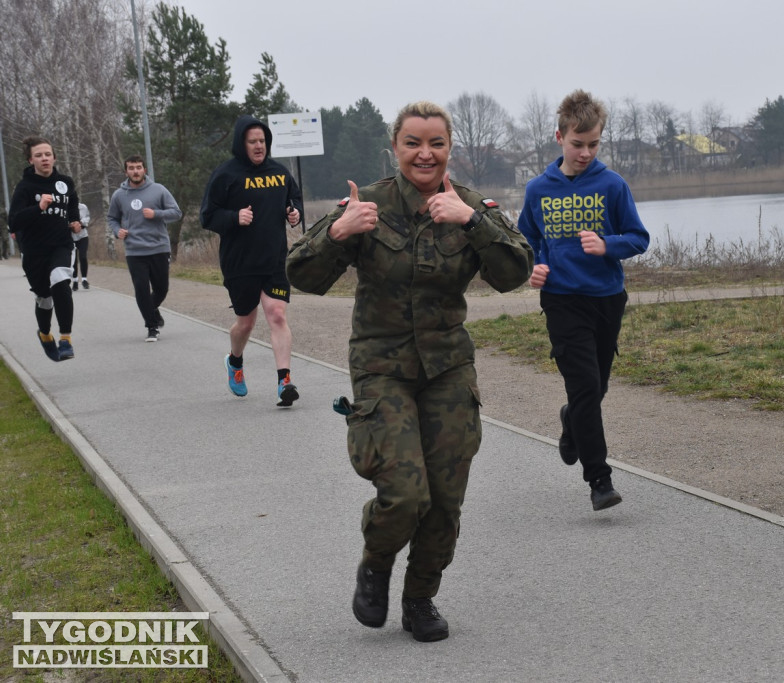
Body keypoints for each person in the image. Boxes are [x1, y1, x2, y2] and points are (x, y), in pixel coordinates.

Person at [286, 101, 532, 642]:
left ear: (450, 149)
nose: (425, 153)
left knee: (444, 500)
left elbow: (515, 272)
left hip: (447, 367)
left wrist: (473, 223)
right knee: (405, 492)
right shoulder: (366, 203)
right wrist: (339, 232)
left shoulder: (471, 207)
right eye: (413, 143)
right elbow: (300, 274)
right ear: (395, 147)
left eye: (436, 143)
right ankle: (376, 563)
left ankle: (420, 598)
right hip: (381, 366)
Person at [517, 90, 650, 511]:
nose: (586, 152)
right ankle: (599, 480)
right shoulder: (539, 189)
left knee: (596, 388)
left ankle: (572, 419)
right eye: (578, 144)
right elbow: (525, 241)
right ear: (560, 137)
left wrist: (607, 245)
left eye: (594, 144)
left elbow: (639, 238)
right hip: (561, 301)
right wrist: (532, 268)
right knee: (586, 385)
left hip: (607, 299)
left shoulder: (613, 185)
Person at [201, 115, 303, 405]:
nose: (259, 146)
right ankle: (234, 361)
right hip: (240, 262)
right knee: (245, 323)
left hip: (274, 259)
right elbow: (207, 216)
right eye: (253, 141)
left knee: (277, 315)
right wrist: (235, 217)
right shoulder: (226, 174)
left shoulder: (280, 173)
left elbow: (293, 201)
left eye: (262, 141)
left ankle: (285, 382)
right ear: (241, 144)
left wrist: (293, 213)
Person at [8, 136, 81, 361]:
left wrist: (76, 222)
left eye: (47, 154)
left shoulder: (65, 182)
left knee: (60, 280)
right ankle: (44, 334)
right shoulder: (25, 187)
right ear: (31, 160)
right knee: (44, 298)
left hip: (61, 245)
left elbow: (72, 206)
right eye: (39, 155)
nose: (44, 159)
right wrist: (38, 207)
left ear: (54, 157)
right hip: (34, 251)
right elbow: (14, 221)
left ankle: (66, 339)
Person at [107, 156, 182, 342]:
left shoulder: (158, 190)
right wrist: (118, 231)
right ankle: (152, 326)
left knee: (161, 289)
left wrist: (156, 214)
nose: (135, 171)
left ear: (144, 170)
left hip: (158, 247)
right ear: (126, 172)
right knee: (141, 289)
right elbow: (112, 218)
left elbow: (176, 213)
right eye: (131, 168)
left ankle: (152, 310)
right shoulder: (119, 195)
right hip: (135, 250)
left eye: (138, 167)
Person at [71, 202, 90, 291]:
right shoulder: (67, 208)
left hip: (83, 236)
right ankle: (75, 281)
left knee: (83, 257)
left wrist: (81, 222)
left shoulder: (83, 207)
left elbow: (88, 217)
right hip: (71, 237)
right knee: (73, 260)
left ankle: (84, 280)